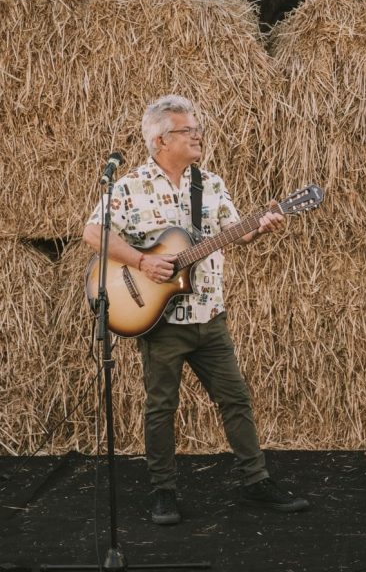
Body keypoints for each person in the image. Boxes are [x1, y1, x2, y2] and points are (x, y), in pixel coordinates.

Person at [83, 95, 309, 524]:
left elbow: (235, 234)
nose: (198, 135)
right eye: (188, 130)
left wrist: (263, 225)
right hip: (161, 320)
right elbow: (94, 233)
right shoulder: (130, 186)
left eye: (197, 128)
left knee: (236, 399)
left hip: (210, 314)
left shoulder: (212, 184)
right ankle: (163, 491)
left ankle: (256, 480)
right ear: (161, 139)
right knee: (161, 406)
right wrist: (142, 261)